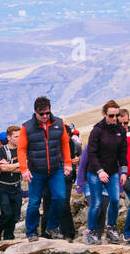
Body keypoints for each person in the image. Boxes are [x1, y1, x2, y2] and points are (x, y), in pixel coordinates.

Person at [19, 96, 73, 240]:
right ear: (35, 112)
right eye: (41, 113)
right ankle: (31, 232)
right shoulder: (27, 127)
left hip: (55, 169)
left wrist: (68, 163)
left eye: (47, 113)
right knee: (34, 203)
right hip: (36, 171)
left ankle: (52, 227)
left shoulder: (59, 123)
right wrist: (24, 169)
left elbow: (65, 144)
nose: (44, 116)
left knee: (60, 197)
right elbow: (21, 149)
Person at [83, 100, 126, 244]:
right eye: (111, 116)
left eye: (116, 115)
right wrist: (100, 171)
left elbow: (123, 153)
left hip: (113, 171)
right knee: (97, 203)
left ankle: (112, 229)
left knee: (114, 200)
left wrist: (124, 172)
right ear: (104, 114)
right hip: (95, 172)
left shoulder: (120, 130)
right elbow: (91, 153)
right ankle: (92, 231)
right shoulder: (97, 130)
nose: (114, 119)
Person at [0, 125, 24, 240]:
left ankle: (8, 236)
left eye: (20, 136)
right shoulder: (1, 151)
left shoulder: (22, 150)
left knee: (15, 215)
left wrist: (10, 166)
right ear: (9, 137)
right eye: (16, 136)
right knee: (6, 213)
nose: (19, 139)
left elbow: (24, 168)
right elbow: (3, 169)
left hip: (16, 186)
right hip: (3, 187)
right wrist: (17, 164)